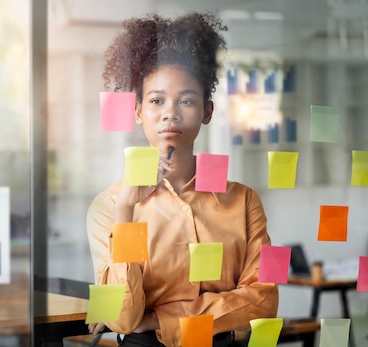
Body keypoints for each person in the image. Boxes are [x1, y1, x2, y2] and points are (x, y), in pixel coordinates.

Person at [86, 12, 279, 347]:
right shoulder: (109, 207)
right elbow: (123, 318)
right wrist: (127, 210)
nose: (169, 113)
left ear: (207, 111)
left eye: (186, 100)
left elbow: (265, 301)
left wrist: (161, 318)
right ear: (138, 111)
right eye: (157, 100)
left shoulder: (245, 201)